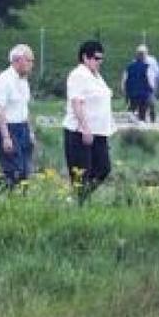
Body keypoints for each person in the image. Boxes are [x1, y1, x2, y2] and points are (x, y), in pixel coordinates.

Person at [64, 40, 115, 203]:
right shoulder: (78, 75)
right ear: (85, 57)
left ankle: (80, 197)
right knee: (82, 172)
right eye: (96, 58)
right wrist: (85, 128)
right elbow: (77, 102)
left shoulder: (96, 76)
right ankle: (78, 200)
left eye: (101, 59)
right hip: (81, 132)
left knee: (103, 168)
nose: (99, 62)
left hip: (99, 132)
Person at [0, 44, 36, 188]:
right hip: (8, 127)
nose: (31, 64)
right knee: (13, 171)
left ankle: (20, 203)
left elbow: (24, 108)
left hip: (22, 127)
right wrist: (6, 137)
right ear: (17, 60)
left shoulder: (24, 81)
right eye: (29, 60)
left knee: (25, 172)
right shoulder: (4, 80)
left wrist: (30, 132)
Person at [121, 46, 153, 123]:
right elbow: (149, 79)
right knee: (143, 110)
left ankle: (132, 120)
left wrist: (124, 89)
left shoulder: (129, 67)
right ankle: (141, 121)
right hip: (144, 92)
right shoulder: (147, 67)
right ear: (144, 56)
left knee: (132, 107)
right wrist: (151, 89)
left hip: (132, 91)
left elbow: (124, 79)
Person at [144, 46, 159, 122]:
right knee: (144, 101)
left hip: (151, 83)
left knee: (151, 101)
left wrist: (157, 80)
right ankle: (144, 116)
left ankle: (152, 116)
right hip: (143, 84)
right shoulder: (136, 60)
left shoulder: (152, 60)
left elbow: (157, 72)